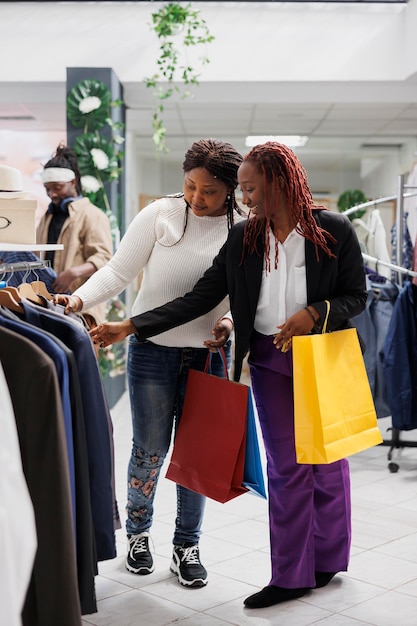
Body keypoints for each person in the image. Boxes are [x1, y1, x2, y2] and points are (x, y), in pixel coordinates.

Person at [81, 141, 367, 609]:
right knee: (287, 470)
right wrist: (131, 325)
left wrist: (315, 313)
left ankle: (328, 559)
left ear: (278, 184)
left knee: (329, 464)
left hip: (325, 358)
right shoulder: (245, 239)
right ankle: (290, 574)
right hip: (271, 363)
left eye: (251, 190)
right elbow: (200, 297)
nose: (246, 200)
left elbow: (358, 295)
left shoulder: (333, 230)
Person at [53, 138, 246, 588]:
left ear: (231, 191)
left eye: (210, 191)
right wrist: (78, 298)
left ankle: (187, 544)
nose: (198, 197)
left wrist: (231, 321)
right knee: (149, 450)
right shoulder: (159, 214)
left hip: (210, 357)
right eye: (191, 186)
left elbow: (245, 293)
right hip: (152, 352)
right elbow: (119, 271)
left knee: (198, 455)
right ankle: (138, 536)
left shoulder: (243, 227)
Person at [37, 143, 113, 324]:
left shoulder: (93, 215)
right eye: (47, 188)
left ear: (73, 182)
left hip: (82, 309)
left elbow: (104, 258)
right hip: (48, 304)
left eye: (57, 187)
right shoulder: (47, 217)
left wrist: (72, 273)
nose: (52, 194)